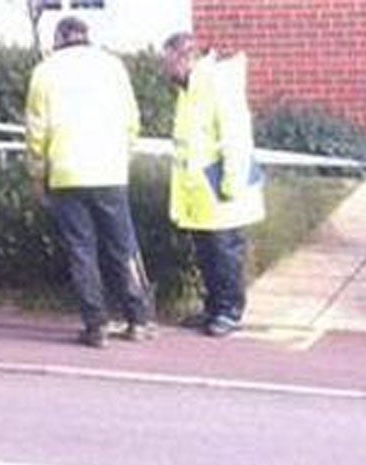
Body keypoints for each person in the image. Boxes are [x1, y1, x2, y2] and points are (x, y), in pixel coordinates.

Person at [25, 15, 154, 347]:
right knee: (122, 246)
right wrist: (123, 154)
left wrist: (38, 175)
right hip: (110, 172)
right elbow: (132, 120)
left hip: (66, 174)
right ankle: (138, 320)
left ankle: (95, 326)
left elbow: (36, 132)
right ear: (87, 36)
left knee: (82, 252)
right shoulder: (113, 67)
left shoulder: (44, 72)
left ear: (58, 40)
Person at [161, 31, 265, 338]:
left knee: (225, 252)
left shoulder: (217, 83)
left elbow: (234, 137)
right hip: (199, 193)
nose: (166, 71)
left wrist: (231, 185)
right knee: (208, 253)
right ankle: (214, 307)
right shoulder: (190, 89)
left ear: (186, 58)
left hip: (219, 189)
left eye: (169, 63)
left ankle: (229, 311)